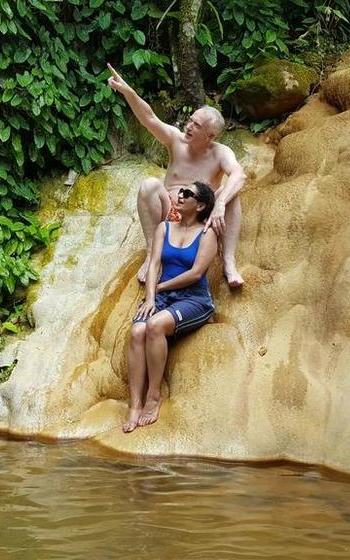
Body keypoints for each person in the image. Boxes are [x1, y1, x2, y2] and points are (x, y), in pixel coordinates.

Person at [106, 63, 247, 288]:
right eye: (190, 120)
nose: (188, 126)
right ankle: (153, 255)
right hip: (171, 214)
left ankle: (229, 262)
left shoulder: (220, 153)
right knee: (149, 185)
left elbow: (239, 175)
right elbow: (149, 118)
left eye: (196, 125)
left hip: (202, 220)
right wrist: (127, 91)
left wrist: (220, 203)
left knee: (231, 194)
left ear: (210, 136)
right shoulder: (175, 139)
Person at [123, 181, 219, 433]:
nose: (181, 195)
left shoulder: (207, 234)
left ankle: (153, 397)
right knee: (137, 331)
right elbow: (154, 264)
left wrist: (161, 288)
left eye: (188, 193)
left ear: (200, 206)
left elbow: (196, 273)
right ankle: (134, 405)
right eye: (181, 191)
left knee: (154, 325)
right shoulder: (164, 228)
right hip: (162, 296)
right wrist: (150, 297)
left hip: (194, 299)